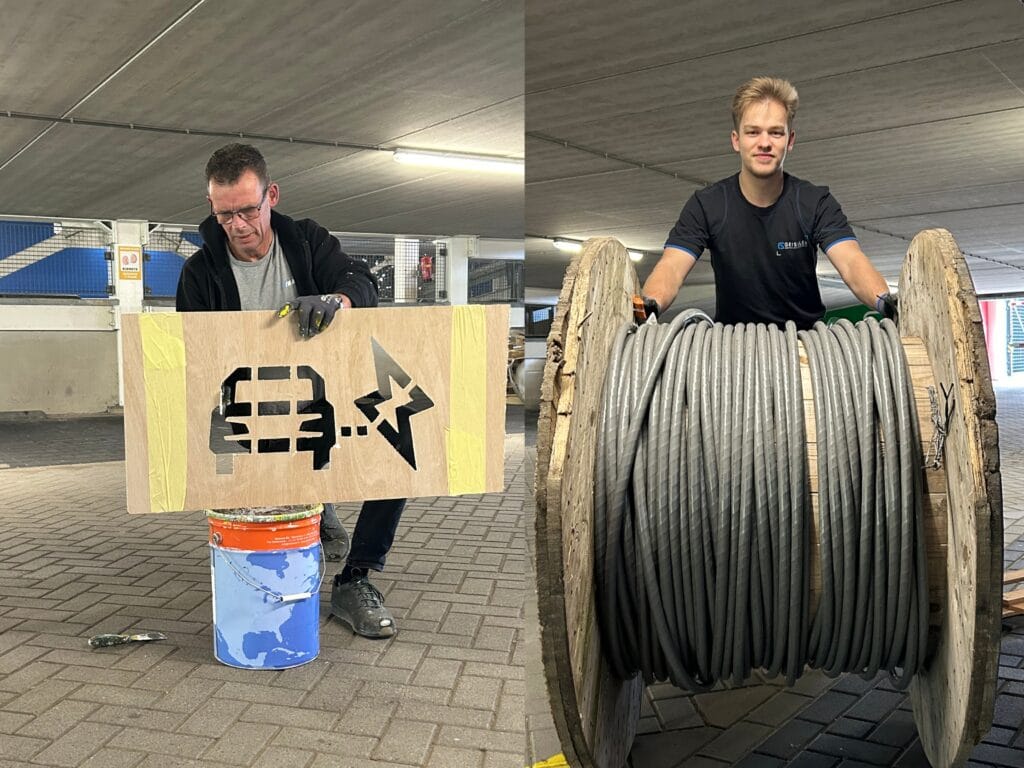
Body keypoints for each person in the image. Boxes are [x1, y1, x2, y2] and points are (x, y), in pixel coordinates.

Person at [176, 142, 405, 639]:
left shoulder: (307, 242)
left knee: (400, 456)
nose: (237, 225)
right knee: (266, 482)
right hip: (254, 406)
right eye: (224, 214)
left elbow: (362, 282)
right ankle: (314, 512)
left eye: (246, 210)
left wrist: (338, 300)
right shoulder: (199, 274)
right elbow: (191, 354)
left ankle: (356, 578)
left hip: (328, 392)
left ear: (271, 196)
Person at [642, 76, 897, 329]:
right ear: (736, 140)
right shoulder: (707, 205)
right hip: (733, 350)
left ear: (790, 140)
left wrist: (886, 302)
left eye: (776, 133)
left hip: (804, 349)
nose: (764, 143)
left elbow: (851, 262)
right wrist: (649, 306)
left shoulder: (815, 202)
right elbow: (672, 267)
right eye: (753, 132)